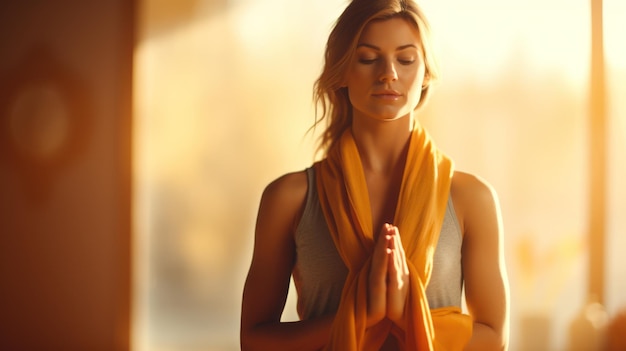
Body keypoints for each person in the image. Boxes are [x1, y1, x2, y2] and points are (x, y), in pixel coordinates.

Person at [240, 0, 509, 349]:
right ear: (341, 72)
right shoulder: (289, 198)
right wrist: (359, 315)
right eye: (368, 58)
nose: (389, 73)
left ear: (426, 72)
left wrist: (404, 316)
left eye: (406, 59)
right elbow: (254, 341)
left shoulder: (472, 199)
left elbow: (495, 338)